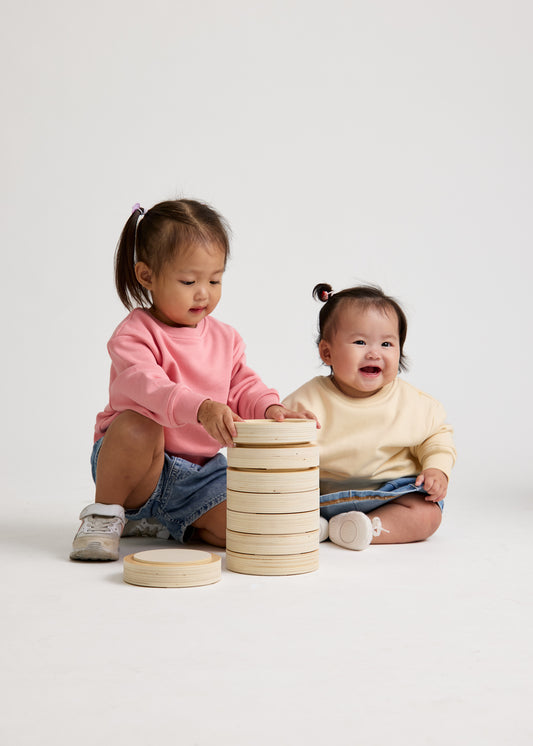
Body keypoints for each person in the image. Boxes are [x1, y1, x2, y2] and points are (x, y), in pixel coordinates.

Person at [71, 199, 314, 561]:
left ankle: (170, 522)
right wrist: (200, 408)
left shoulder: (226, 338)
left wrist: (270, 408)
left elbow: (243, 385)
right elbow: (149, 386)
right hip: (138, 470)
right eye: (189, 281)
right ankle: (105, 514)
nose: (204, 292)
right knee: (138, 426)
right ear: (147, 276)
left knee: (245, 527)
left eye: (215, 280)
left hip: (199, 477)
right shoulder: (134, 334)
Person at [282, 283, 456, 551]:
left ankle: (361, 528)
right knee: (282, 501)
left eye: (386, 343)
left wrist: (437, 468)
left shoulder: (412, 403)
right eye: (360, 342)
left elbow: (436, 438)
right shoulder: (307, 400)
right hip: (320, 495)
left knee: (428, 514)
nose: (374, 353)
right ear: (327, 352)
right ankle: (318, 524)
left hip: (391, 495)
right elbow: (279, 440)